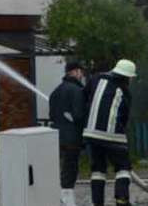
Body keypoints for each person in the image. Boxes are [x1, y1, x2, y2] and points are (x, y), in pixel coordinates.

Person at [83, 59, 137, 206]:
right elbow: (124, 117)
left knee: (98, 171)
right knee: (123, 169)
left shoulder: (95, 79)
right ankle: (121, 201)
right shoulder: (125, 91)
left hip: (91, 133)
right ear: (127, 76)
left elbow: (84, 98)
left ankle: (97, 203)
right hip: (114, 136)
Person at [49, 61, 86, 206]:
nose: (82, 75)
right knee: (70, 170)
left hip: (56, 138)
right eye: (81, 72)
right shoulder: (77, 91)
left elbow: (52, 115)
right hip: (72, 139)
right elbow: (78, 116)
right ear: (75, 72)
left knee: (58, 168)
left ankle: (58, 199)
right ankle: (68, 201)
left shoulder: (55, 91)